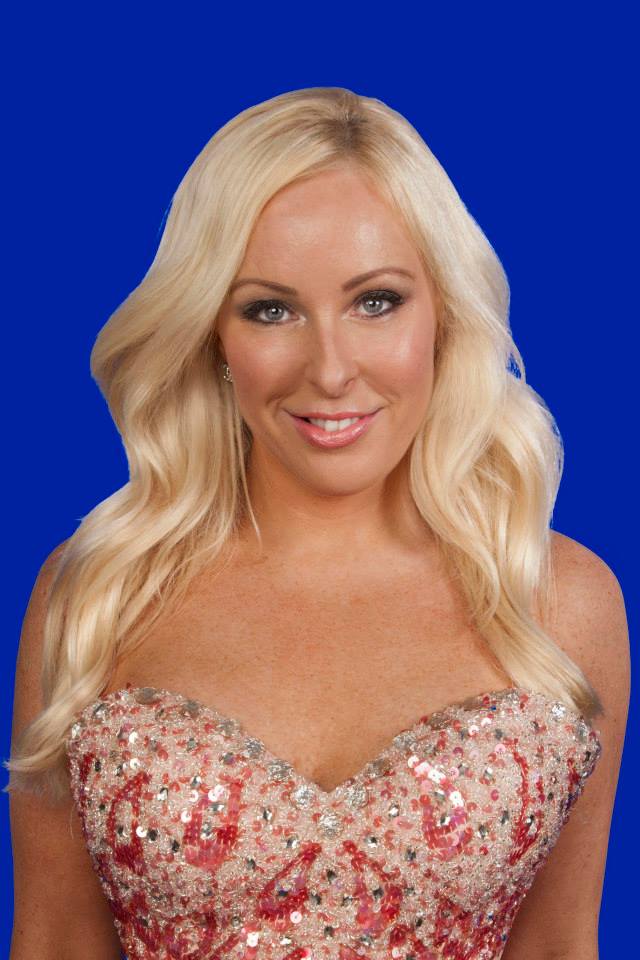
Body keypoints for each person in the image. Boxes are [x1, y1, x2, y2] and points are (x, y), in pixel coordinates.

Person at [5, 86, 629, 959]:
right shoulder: (98, 594)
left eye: (376, 301)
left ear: (443, 315)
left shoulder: (561, 603)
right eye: (271, 309)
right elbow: (54, 940)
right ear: (213, 337)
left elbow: (561, 944)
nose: (331, 370)